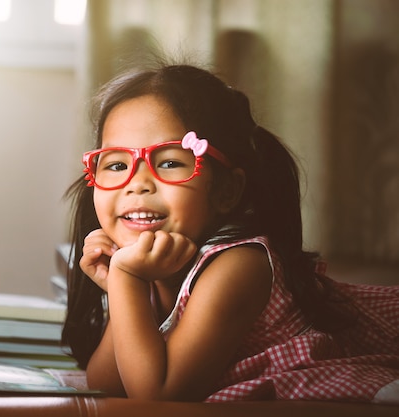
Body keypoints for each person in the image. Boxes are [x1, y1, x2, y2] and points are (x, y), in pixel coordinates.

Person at [61, 62, 399, 403]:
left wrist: (126, 279)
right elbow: (106, 383)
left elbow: (159, 396)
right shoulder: (148, 268)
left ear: (226, 191)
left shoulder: (239, 265)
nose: (138, 184)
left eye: (170, 162)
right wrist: (124, 292)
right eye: (117, 165)